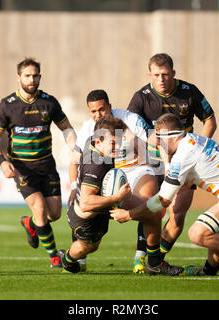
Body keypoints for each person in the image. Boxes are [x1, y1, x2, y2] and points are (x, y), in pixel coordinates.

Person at [111, 113, 219, 279]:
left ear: (172, 137)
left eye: (160, 139)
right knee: (215, 232)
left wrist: (128, 215)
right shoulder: (192, 140)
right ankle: (209, 271)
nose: (159, 145)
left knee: (198, 233)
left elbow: (162, 200)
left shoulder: (184, 153)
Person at [59, 115, 184, 276]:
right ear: (98, 142)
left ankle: (154, 264)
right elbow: (86, 203)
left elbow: (117, 132)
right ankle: (68, 259)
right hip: (87, 216)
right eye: (113, 143)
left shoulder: (98, 138)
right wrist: (117, 198)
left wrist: (121, 126)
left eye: (119, 141)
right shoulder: (95, 165)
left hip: (106, 198)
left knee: (152, 214)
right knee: (88, 247)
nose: (118, 147)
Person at [127, 53, 217, 269]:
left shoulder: (189, 92)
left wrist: (198, 147)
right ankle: (142, 256)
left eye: (166, 74)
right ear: (150, 75)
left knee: (177, 214)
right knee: (151, 206)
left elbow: (210, 120)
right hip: (153, 161)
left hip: (185, 161)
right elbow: (130, 129)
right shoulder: (141, 97)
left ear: (173, 73)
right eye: (157, 75)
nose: (161, 79)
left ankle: (155, 259)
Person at [0, 58, 77, 268]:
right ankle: (55, 257)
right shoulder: (6, 106)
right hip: (22, 168)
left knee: (53, 214)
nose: (31, 79)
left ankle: (29, 224)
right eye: (27, 76)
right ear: (18, 77)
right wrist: (2, 162)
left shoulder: (49, 102)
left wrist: (74, 147)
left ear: (40, 77)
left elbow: (66, 127)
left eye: (35, 75)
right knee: (38, 208)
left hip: (47, 166)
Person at [68, 89, 159, 272]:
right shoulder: (89, 130)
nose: (97, 115)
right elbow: (75, 161)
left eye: (101, 109)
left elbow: (149, 147)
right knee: (89, 228)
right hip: (110, 176)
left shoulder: (129, 119)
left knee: (151, 205)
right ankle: (78, 260)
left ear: (110, 106)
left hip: (136, 168)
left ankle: (144, 261)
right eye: (93, 111)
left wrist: (126, 132)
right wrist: (73, 186)